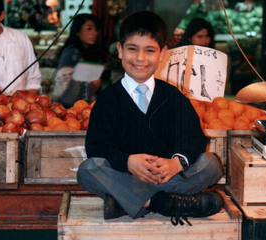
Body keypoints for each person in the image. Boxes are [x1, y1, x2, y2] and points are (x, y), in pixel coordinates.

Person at [77, 11, 223, 226]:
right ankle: (162, 203)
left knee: (212, 164)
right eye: (132, 49)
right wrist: (128, 162)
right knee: (88, 170)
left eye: (150, 50)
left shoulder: (173, 96)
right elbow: (97, 146)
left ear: (163, 53)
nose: (140, 58)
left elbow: (193, 137)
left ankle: (128, 201)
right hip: (126, 176)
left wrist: (177, 162)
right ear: (119, 50)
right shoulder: (108, 99)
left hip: (169, 177)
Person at [0, 0, 42, 95]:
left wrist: (28, 101)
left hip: (24, 106)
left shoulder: (20, 37)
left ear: (2, 15)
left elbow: (33, 77)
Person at [53, 13, 109, 108]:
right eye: (89, 29)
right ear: (77, 31)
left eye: (96, 29)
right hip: (70, 112)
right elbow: (63, 92)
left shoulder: (91, 52)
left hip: (86, 110)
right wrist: (90, 88)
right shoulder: (71, 53)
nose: (95, 33)